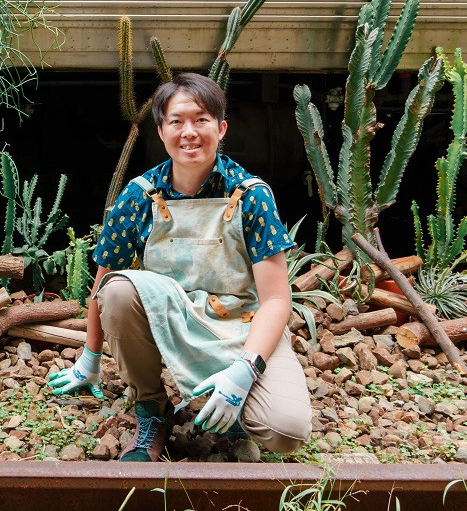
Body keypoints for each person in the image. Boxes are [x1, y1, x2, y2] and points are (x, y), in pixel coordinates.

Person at [47, 72, 312, 462]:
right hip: (170, 320)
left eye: (201, 120)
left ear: (221, 128)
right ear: (161, 131)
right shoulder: (139, 195)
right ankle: (151, 409)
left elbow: (275, 301)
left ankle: (233, 404)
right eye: (177, 121)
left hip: (240, 326)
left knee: (286, 432)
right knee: (118, 290)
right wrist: (90, 356)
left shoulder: (252, 196)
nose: (189, 132)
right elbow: (102, 284)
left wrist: (246, 370)